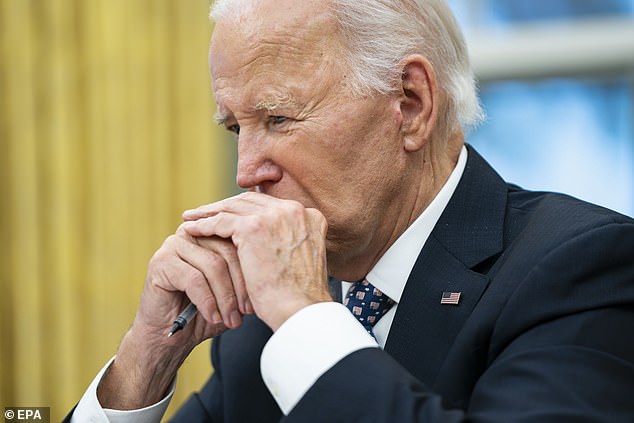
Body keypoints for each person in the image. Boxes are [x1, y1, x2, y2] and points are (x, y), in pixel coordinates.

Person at [65, 0, 634, 421]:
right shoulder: (262, 330)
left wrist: (303, 316)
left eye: (279, 119)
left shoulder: (583, 266)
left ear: (411, 105)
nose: (245, 172)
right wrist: (145, 359)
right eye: (236, 128)